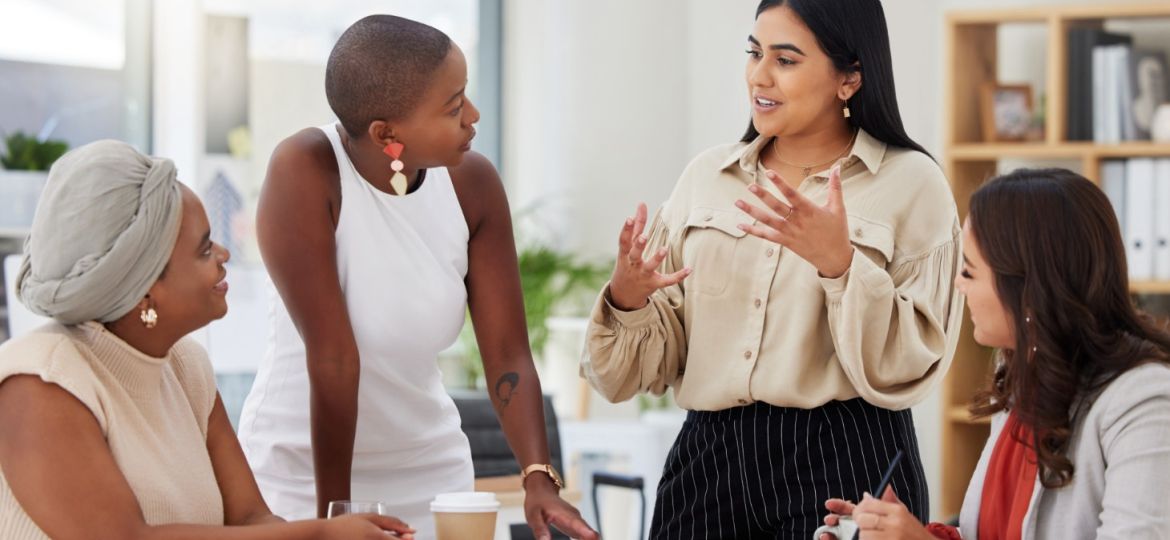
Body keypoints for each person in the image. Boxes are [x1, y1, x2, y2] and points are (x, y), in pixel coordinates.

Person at [581, 0, 964, 537]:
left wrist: (840, 264)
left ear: (849, 78)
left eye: (785, 59)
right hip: (707, 460)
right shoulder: (707, 178)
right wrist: (629, 298)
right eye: (754, 52)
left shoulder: (911, 182)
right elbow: (641, 372)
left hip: (843, 459)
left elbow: (911, 363)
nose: (759, 75)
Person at [235, 15, 595, 540]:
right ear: (387, 134)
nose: (473, 116)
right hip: (300, 475)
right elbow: (333, 358)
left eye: (466, 96)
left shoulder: (473, 184)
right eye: (453, 108)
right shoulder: (306, 169)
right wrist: (334, 519)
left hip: (432, 476)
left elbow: (507, 352)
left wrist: (538, 479)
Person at [0, 140, 411, 539]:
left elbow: (251, 519)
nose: (223, 254)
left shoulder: (186, 366)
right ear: (144, 290)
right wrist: (320, 534)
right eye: (202, 250)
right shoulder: (40, 384)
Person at [819, 168, 1170, 539]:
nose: (958, 285)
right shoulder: (1024, 373)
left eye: (969, 272)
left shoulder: (1144, 402)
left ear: (1027, 287)